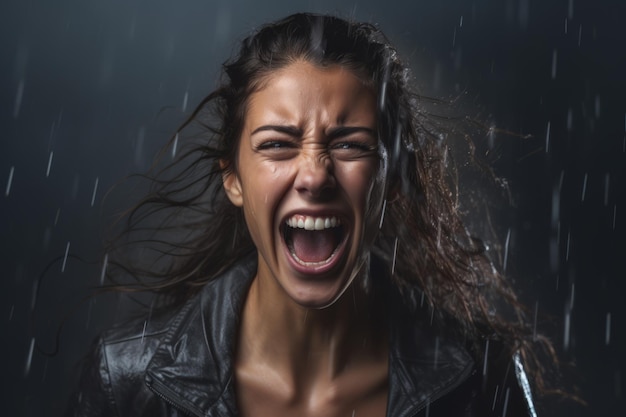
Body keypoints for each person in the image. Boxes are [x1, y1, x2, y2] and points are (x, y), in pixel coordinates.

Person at [66, 12, 553, 417]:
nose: (315, 175)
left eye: (349, 145)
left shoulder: (479, 378)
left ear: (390, 180)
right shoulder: (126, 382)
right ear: (232, 178)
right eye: (277, 144)